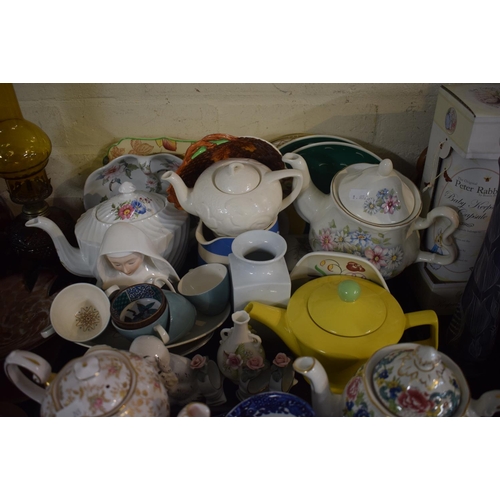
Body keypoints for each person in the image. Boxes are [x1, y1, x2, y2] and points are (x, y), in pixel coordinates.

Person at [97, 222, 179, 292]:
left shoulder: (157, 277)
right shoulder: (111, 280)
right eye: (117, 264)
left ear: (143, 254)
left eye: (131, 263)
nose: (126, 270)